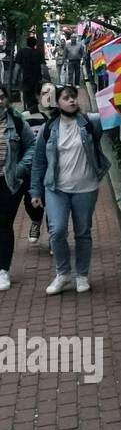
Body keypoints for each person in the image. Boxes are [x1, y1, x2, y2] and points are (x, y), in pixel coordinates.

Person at [30, 86, 110, 295]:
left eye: (73, 97)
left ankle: (81, 275)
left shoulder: (90, 122)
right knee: (56, 232)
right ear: (57, 102)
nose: (72, 101)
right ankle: (63, 273)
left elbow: (111, 114)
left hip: (86, 187)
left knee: (83, 233)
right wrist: (35, 192)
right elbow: (39, 162)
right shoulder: (49, 129)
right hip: (57, 188)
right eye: (66, 98)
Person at [0, 87, 36, 291]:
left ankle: (3, 269)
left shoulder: (17, 121)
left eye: (2, 97)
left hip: (8, 181)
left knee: (4, 223)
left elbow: (32, 145)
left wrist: (20, 168)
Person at [20, 82, 55, 244]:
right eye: (44, 94)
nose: (48, 97)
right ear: (37, 96)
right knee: (30, 201)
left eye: (52, 94)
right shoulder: (26, 116)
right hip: (32, 166)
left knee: (54, 203)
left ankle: (54, 237)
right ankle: (36, 220)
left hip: (55, 167)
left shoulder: (60, 115)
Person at [15, 35, 45, 112]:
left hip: (26, 79)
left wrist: (15, 78)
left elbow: (17, 67)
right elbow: (43, 67)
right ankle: (35, 109)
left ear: (27, 43)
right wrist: (45, 77)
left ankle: (28, 110)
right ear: (35, 44)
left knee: (27, 96)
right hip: (37, 79)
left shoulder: (21, 52)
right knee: (36, 96)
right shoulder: (39, 52)